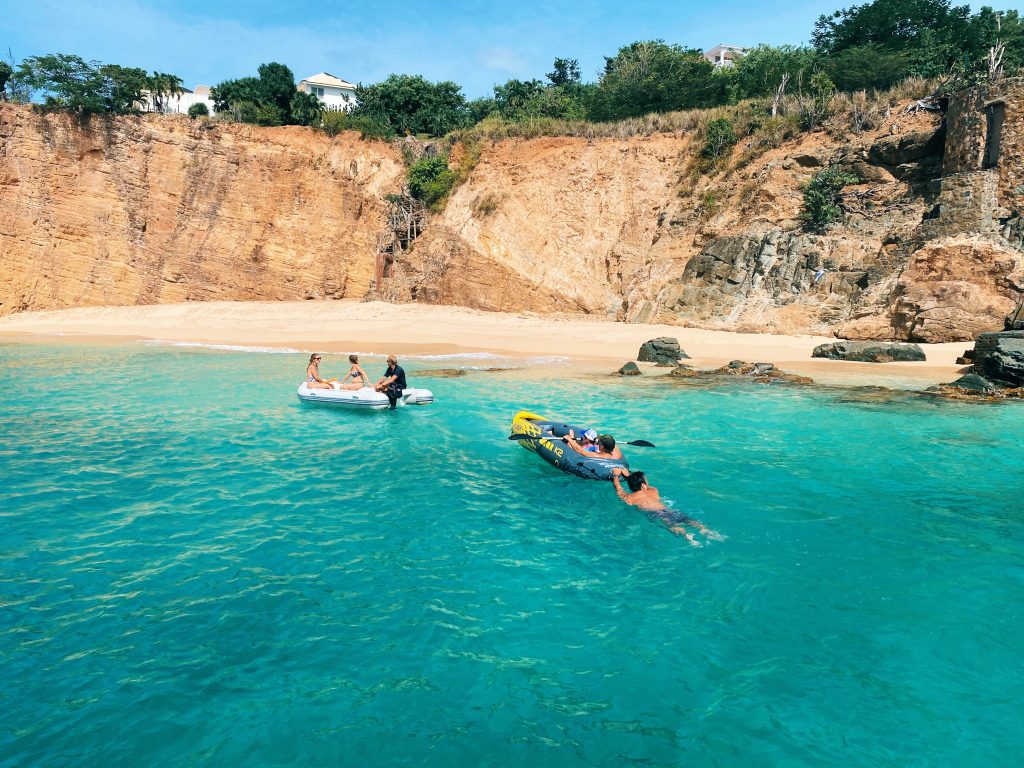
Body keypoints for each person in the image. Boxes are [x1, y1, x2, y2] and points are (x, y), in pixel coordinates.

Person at [611, 467, 719, 545]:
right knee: (688, 520)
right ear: (644, 485)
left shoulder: (630, 498)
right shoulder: (654, 491)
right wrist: (629, 475)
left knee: (672, 527)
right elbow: (646, 486)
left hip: (655, 514)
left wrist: (616, 475)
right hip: (669, 510)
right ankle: (705, 530)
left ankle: (689, 537)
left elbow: (618, 489)